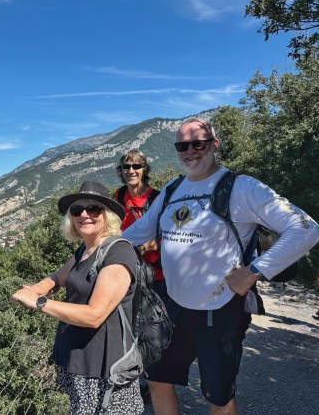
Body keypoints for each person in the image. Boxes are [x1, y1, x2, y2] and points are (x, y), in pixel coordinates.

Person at [122, 118, 319, 415]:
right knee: (158, 380)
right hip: (174, 305)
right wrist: (96, 250)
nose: (190, 151)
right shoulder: (173, 188)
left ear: (214, 145)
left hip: (220, 309)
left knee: (218, 397)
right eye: (182, 146)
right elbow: (139, 231)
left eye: (198, 143)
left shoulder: (242, 186)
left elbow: (306, 228)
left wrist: (253, 272)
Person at [12, 181, 144, 415]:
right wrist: (36, 288)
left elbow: (95, 315)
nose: (84, 215)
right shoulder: (85, 250)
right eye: (77, 210)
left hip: (104, 371)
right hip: (78, 362)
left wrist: (39, 302)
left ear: (108, 216)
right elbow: (57, 277)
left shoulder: (118, 252)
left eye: (93, 208)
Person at [114, 148, 164, 403]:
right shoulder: (118, 196)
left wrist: (143, 247)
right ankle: (138, 380)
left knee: (151, 327)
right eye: (126, 167)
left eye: (137, 166)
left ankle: (155, 382)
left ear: (145, 169)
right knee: (129, 325)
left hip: (154, 273)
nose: (131, 171)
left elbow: (165, 234)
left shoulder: (156, 198)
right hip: (126, 271)